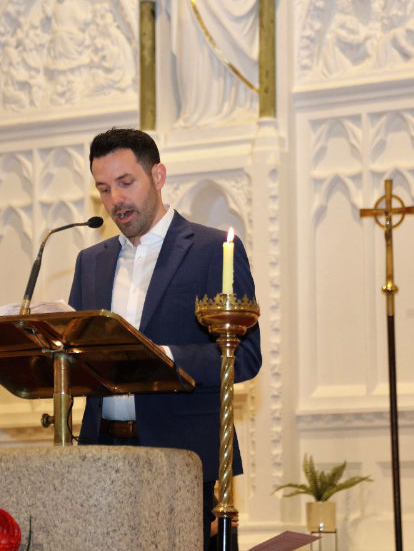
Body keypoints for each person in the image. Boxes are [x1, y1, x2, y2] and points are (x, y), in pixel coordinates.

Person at [69, 128, 262, 547]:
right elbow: (75, 357)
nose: (115, 199)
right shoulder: (91, 263)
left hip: (182, 456)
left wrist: (165, 356)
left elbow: (246, 356)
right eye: (104, 189)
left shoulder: (211, 251)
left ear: (158, 176)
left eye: (126, 182)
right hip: (101, 456)